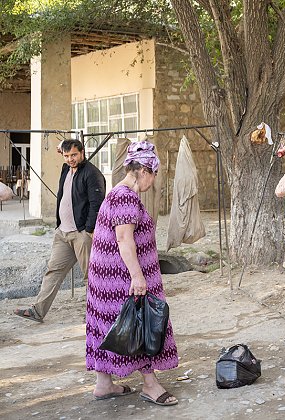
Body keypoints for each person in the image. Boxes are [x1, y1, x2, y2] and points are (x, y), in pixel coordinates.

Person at [85, 141, 179, 405]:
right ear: (144, 171)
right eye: (155, 173)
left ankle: (104, 384)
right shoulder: (126, 196)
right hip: (121, 277)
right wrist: (138, 277)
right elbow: (125, 239)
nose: (154, 180)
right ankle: (150, 384)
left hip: (104, 277)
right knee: (140, 325)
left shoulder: (116, 193)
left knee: (111, 326)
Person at [14, 139, 105, 322]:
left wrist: (89, 230)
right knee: (53, 271)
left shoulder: (92, 173)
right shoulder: (66, 168)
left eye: (74, 155)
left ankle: (101, 315)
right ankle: (38, 311)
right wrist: (62, 147)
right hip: (63, 233)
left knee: (92, 276)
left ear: (82, 153)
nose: (70, 159)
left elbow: (97, 204)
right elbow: (61, 148)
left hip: (81, 234)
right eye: (66, 156)